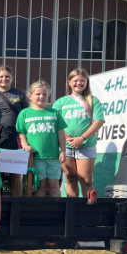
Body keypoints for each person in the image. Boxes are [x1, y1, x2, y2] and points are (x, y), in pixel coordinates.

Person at [53, 68, 105, 203]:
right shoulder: (61, 102)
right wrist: (66, 138)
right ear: (69, 82)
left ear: (87, 82)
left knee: (85, 179)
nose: (79, 83)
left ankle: (90, 212)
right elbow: (55, 122)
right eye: (75, 81)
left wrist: (81, 138)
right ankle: (72, 210)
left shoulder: (93, 100)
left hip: (86, 145)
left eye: (82, 81)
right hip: (66, 146)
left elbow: (99, 121)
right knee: (70, 178)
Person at [16, 80, 67, 197]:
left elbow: (60, 133)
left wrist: (63, 151)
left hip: (54, 156)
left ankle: (57, 212)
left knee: (54, 185)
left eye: (44, 94)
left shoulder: (54, 113)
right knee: (40, 185)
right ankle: (40, 212)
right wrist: (25, 145)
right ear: (30, 96)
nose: (41, 97)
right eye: (38, 94)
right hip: (36, 156)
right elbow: (21, 132)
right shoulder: (24, 113)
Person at [0, 65, 28, 195]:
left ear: (12, 78)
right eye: (1, 77)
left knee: (15, 170)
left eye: (7, 76)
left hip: (15, 135)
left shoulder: (20, 94)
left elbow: (26, 114)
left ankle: (17, 200)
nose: (4, 79)